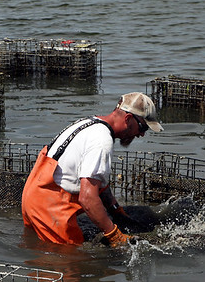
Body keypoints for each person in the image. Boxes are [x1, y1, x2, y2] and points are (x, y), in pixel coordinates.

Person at [21, 92, 163, 247]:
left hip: (32, 196)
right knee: (68, 262)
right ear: (128, 119)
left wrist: (116, 211)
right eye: (142, 127)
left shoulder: (91, 123)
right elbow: (87, 198)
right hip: (49, 208)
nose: (142, 134)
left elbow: (97, 183)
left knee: (36, 248)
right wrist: (115, 235)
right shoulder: (102, 142)